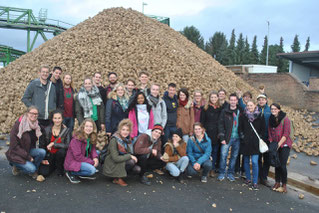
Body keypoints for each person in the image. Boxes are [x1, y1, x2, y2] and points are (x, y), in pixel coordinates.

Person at [6, 106, 46, 179]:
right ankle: (16, 165)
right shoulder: (18, 126)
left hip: (28, 150)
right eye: (32, 113)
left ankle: (33, 170)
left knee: (42, 152)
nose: (34, 115)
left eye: (36, 114)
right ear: (27, 113)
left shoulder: (36, 125)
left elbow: (44, 130)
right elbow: (14, 147)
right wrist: (29, 157)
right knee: (31, 168)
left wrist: (59, 125)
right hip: (16, 153)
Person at [103, 119, 141, 186]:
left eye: (127, 130)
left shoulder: (126, 140)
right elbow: (115, 158)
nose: (125, 132)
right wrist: (130, 156)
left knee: (137, 169)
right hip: (112, 163)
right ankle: (117, 178)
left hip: (120, 161)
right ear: (119, 130)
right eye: (123, 129)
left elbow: (129, 152)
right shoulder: (114, 140)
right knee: (131, 161)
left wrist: (130, 156)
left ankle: (120, 175)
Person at [239, 100, 265, 190]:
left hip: (255, 143)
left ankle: (254, 181)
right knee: (245, 161)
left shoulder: (260, 116)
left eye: (251, 105)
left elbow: (263, 129)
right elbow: (240, 128)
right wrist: (242, 137)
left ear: (255, 105)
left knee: (254, 162)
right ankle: (248, 178)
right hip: (246, 142)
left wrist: (260, 138)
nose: (249, 107)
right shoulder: (243, 115)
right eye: (248, 105)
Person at [64, 118, 99, 184]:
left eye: (91, 126)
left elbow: (93, 149)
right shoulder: (76, 139)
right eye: (87, 126)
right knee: (92, 170)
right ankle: (71, 172)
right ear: (83, 127)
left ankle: (82, 172)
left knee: (97, 153)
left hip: (83, 158)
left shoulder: (91, 136)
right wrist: (92, 162)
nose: (89, 128)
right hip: (73, 161)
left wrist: (95, 158)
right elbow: (77, 156)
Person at [39, 110, 71, 177]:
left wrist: (54, 144)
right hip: (50, 154)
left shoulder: (66, 131)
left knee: (61, 152)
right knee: (44, 173)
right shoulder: (46, 130)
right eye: (55, 118)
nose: (57, 120)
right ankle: (53, 165)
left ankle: (60, 167)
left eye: (59, 118)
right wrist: (43, 159)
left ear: (62, 119)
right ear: (52, 119)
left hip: (60, 155)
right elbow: (42, 145)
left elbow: (68, 145)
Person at [268, 103, 292, 193]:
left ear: (279, 109)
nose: (273, 110)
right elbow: (269, 131)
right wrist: (271, 141)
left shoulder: (285, 119)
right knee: (276, 164)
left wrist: (278, 145)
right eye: (272, 109)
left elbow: (286, 134)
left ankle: (284, 184)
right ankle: (277, 182)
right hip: (275, 144)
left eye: (275, 109)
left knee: (282, 165)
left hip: (284, 144)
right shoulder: (271, 118)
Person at [217, 93, 241, 182]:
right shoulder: (225, 111)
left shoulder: (240, 111)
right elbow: (220, 124)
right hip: (227, 137)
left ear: (237, 101)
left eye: (235, 100)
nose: (233, 102)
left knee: (234, 156)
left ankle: (230, 173)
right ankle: (222, 172)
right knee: (223, 155)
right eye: (231, 100)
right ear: (229, 100)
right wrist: (222, 137)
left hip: (237, 138)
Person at [200, 91, 222, 177]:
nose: (213, 99)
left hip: (216, 132)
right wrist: (203, 131)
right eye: (212, 97)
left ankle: (212, 169)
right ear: (209, 98)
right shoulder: (205, 108)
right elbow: (202, 121)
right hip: (207, 132)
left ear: (217, 98)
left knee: (215, 152)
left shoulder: (220, 108)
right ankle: (204, 168)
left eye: (215, 97)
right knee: (205, 151)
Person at [257, 94, 271, 187]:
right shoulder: (255, 109)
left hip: (268, 137)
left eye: (263, 99)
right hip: (258, 137)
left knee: (267, 159)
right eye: (259, 100)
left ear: (266, 100)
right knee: (258, 158)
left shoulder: (270, 110)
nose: (261, 101)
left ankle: (264, 177)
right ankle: (258, 176)